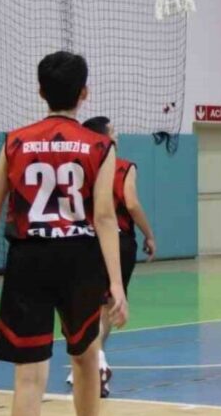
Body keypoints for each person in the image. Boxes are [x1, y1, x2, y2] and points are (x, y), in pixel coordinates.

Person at [0, 51, 128, 416]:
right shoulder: (99, 146)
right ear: (85, 92)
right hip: (79, 260)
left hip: (29, 259)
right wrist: (117, 283)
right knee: (86, 357)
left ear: (41, 91)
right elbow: (105, 218)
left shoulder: (15, 142)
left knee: (28, 375)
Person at [59, 116, 156, 396]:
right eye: (113, 131)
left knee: (82, 307)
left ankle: (85, 363)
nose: (117, 134)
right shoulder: (122, 166)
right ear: (103, 137)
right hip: (115, 240)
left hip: (78, 241)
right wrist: (149, 233)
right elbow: (132, 203)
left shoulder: (74, 168)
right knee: (108, 306)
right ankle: (96, 362)